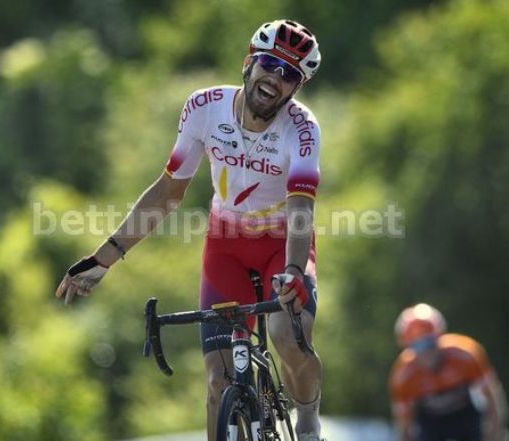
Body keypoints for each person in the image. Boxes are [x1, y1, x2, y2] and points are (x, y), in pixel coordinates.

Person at [56, 19, 325, 441]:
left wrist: (293, 269)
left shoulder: (303, 129)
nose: (276, 77)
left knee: (284, 335)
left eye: (290, 74)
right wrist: (103, 258)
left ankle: (308, 418)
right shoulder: (204, 108)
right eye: (270, 64)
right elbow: (167, 193)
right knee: (218, 381)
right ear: (248, 63)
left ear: (297, 88)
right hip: (227, 246)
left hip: (281, 244)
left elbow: (300, 208)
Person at [389, 303, 509, 441]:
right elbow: (404, 428)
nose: (425, 352)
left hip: (466, 417)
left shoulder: (466, 354)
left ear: (439, 337)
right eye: (416, 346)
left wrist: (494, 437)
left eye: (429, 342)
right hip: (430, 425)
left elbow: (493, 404)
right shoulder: (403, 375)